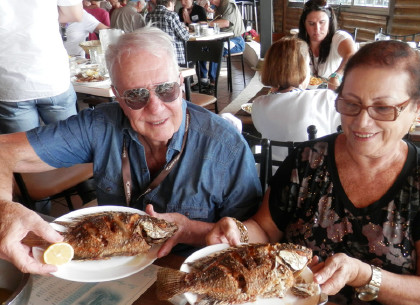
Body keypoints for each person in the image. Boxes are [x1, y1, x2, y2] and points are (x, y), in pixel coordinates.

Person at [207, 40, 420, 305]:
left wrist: (365, 276)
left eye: (382, 108)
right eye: (350, 104)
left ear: (416, 107)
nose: (361, 123)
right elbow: (265, 228)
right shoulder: (307, 160)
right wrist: (239, 233)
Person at [0, 26, 261, 274]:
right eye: (136, 96)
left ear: (180, 83)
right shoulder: (99, 124)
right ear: (117, 96)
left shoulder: (227, 148)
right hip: (111, 264)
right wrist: (3, 208)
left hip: (192, 271)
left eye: (166, 89)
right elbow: (3, 150)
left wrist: (192, 230)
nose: (155, 108)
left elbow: (251, 240)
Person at [251, 36, 341, 164]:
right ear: (301, 69)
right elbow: (341, 135)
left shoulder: (258, 105)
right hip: (312, 179)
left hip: (273, 178)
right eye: (308, 65)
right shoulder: (326, 98)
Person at [0, 0, 83, 135]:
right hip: (51, 74)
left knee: (24, 153)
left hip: (9, 79)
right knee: (69, 147)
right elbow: (74, 14)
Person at [297, 2, 356, 90]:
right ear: (304, 24)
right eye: (311, 23)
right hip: (305, 95)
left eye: (322, 22)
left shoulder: (339, 37)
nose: (317, 29)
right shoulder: (297, 41)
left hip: (331, 95)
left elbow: (352, 55)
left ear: (330, 22)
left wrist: (337, 75)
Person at [197, 0, 245, 89]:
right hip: (222, 39)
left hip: (236, 41)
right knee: (202, 47)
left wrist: (207, 24)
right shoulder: (217, 7)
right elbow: (216, 22)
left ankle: (213, 82)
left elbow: (225, 23)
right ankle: (203, 79)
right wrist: (209, 12)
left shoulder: (228, 4)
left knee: (217, 49)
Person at [147, 0, 191, 66]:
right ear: (170, 3)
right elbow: (185, 36)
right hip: (173, 55)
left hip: (156, 54)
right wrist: (186, 30)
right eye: (174, 4)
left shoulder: (149, 15)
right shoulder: (171, 15)